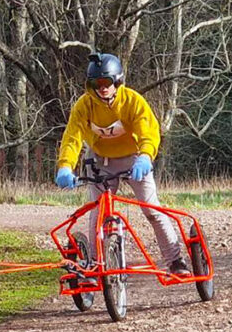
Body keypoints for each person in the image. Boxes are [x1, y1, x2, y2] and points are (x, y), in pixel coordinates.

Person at [54, 52, 190, 275]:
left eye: (106, 82)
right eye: (96, 83)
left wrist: (146, 156)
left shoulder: (133, 101)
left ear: (117, 81)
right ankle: (95, 264)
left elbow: (148, 131)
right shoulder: (84, 105)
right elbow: (72, 137)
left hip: (134, 160)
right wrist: (65, 166)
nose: (102, 88)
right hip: (100, 161)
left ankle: (175, 260)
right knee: (98, 213)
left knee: (152, 209)